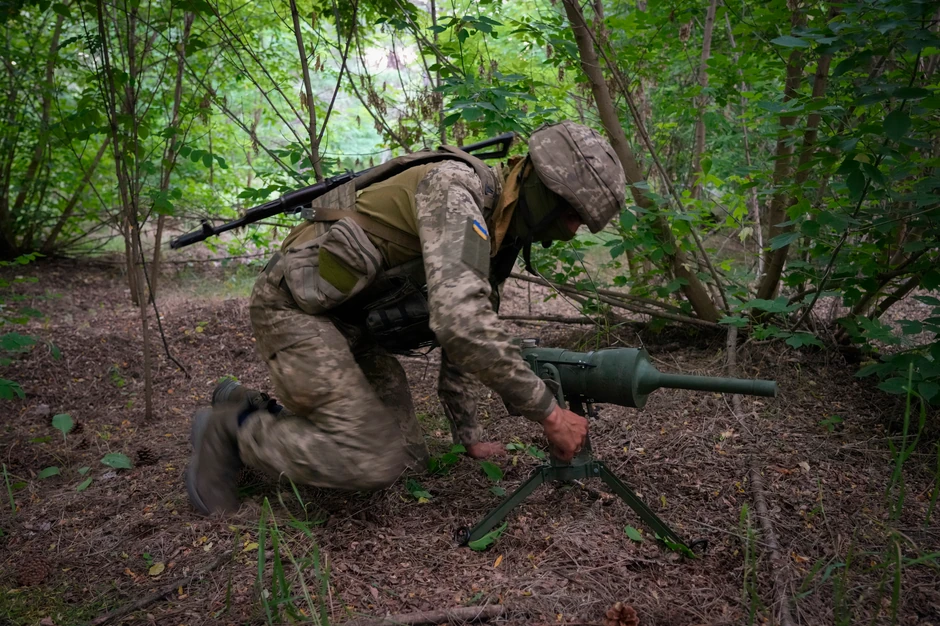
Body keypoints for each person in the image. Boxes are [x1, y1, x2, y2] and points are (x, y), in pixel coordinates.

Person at [185, 120, 626, 515]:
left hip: (349, 328)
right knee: (370, 460)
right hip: (295, 313)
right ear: (540, 187)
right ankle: (231, 432)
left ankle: (253, 405)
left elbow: (474, 319)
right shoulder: (456, 192)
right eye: (571, 214)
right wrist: (550, 414)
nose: (571, 231)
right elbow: (462, 323)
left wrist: (468, 435)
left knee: (407, 457)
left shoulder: (498, 230)